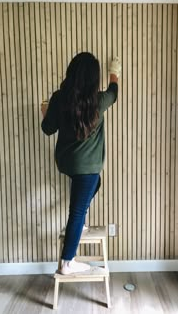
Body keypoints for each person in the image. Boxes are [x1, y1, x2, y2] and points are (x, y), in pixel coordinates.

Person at [41, 52, 121, 275]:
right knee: (76, 212)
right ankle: (67, 262)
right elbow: (114, 93)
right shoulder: (98, 100)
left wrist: (46, 111)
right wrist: (114, 72)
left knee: (95, 186)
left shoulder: (59, 98)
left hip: (66, 162)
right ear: (93, 79)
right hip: (87, 167)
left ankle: (79, 222)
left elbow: (47, 129)